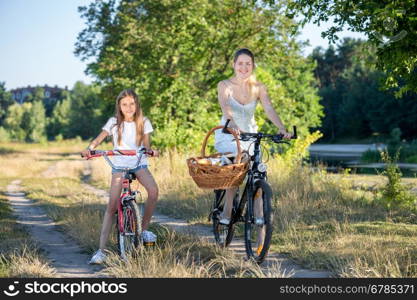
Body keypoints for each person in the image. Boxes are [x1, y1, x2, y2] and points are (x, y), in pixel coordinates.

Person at [214, 48, 292, 225]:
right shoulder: (224, 85)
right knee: (238, 165)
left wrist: (281, 128)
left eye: (247, 63)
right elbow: (225, 106)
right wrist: (232, 122)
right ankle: (226, 212)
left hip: (250, 133)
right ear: (234, 64)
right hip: (229, 133)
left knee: (258, 171)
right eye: (240, 63)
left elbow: (269, 109)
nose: (244, 67)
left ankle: (259, 216)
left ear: (253, 66)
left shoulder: (258, 88)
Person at [81, 89, 159, 264]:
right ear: (119, 106)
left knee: (153, 191)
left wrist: (152, 151)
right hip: (118, 165)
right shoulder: (113, 122)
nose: (129, 107)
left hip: (138, 163)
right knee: (112, 205)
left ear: (137, 104)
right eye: (124, 104)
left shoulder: (144, 122)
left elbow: (147, 145)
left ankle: (143, 230)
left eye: (132, 104)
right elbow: (98, 139)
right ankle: (101, 250)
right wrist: (90, 148)